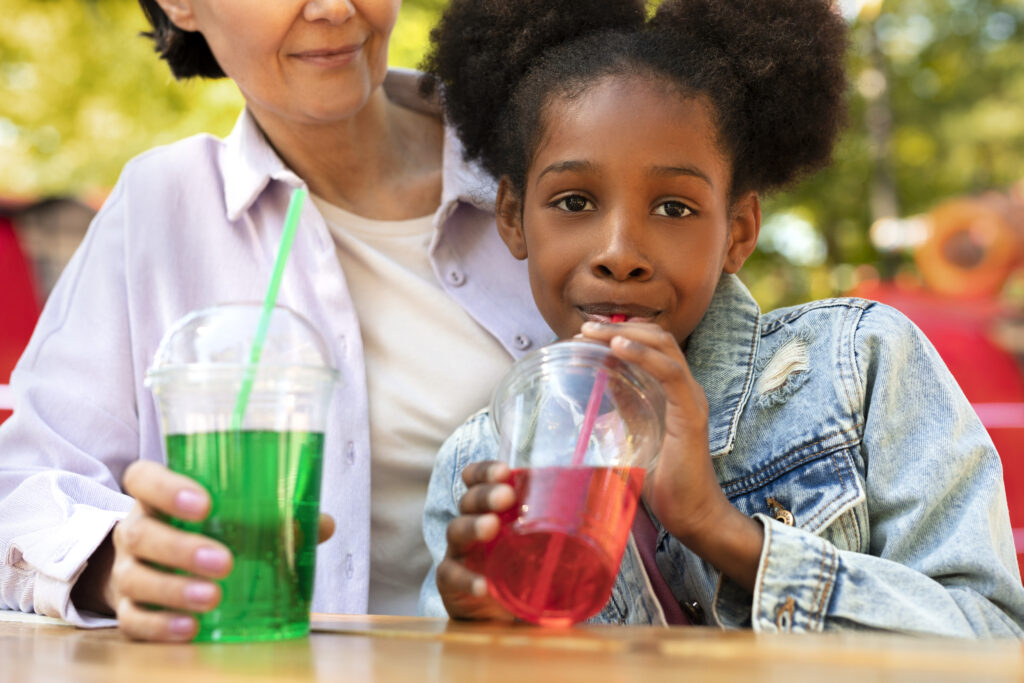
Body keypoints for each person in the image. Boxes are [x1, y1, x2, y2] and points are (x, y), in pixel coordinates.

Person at [417, 0, 1024, 636]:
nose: (620, 253)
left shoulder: (861, 365)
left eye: (674, 208)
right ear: (512, 218)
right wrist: (482, 626)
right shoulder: (481, 460)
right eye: (574, 201)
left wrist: (721, 529)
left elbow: (995, 638)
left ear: (737, 232)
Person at [0, 0, 552, 641]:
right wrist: (118, 563)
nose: (334, 8)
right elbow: (18, 496)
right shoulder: (162, 205)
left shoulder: (547, 152)